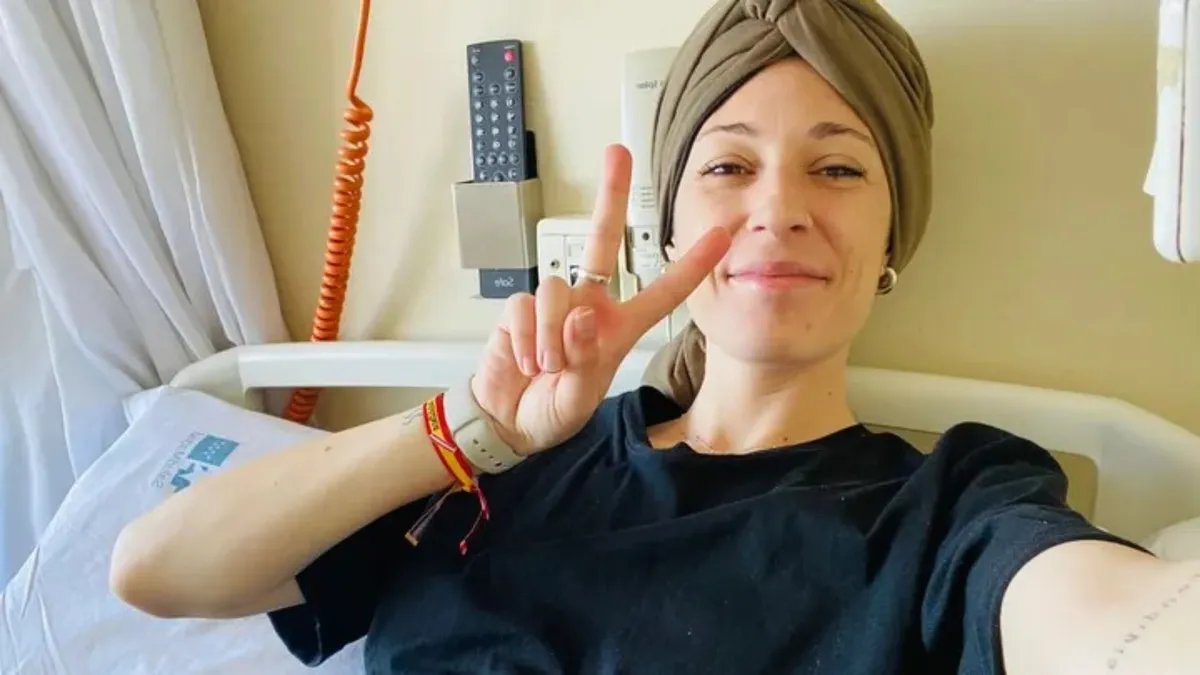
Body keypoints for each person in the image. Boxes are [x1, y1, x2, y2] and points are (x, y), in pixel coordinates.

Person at [111, 0, 1200, 673]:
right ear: (668, 225)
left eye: (836, 167)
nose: (778, 209)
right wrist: (469, 429)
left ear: (892, 239)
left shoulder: (953, 507)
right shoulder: (498, 467)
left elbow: (1115, 624)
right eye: (729, 165)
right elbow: (154, 571)